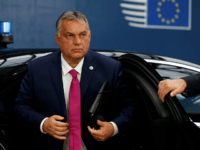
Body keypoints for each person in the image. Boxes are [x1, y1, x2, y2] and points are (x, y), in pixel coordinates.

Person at [14, 11, 136, 150]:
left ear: (89, 36)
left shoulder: (110, 68)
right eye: (69, 36)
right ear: (58, 38)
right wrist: (44, 124)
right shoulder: (37, 69)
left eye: (82, 35)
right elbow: (21, 105)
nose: (77, 42)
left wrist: (112, 128)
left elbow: (130, 107)